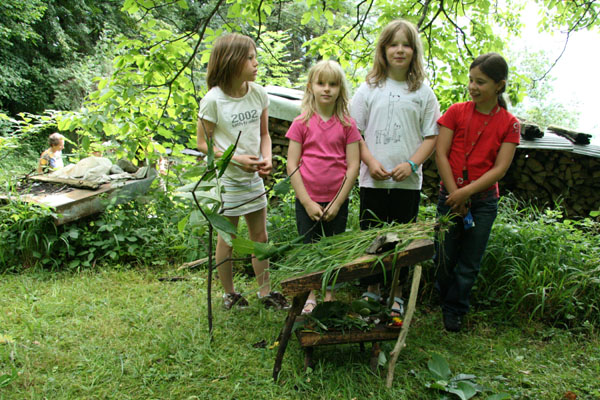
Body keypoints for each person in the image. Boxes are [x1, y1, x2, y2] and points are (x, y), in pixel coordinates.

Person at [350, 19, 440, 316]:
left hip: (406, 182)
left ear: (414, 51)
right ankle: (372, 289)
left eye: (406, 45)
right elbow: (354, 133)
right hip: (372, 180)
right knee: (371, 237)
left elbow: (431, 137)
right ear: (383, 49)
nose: (399, 50)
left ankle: (397, 292)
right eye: (393, 44)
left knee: (402, 241)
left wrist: (413, 164)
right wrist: (371, 162)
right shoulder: (368, 89)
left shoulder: (423, 92)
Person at [196, 32, 288, 310]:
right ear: (232, 61)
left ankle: (265, 292)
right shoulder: (214, 100)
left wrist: (267, 158)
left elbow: (264, 134)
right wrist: (237, 159)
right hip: (228, 181)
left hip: (253, 180)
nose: (256, 63)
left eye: (255, 57)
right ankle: (229, 294)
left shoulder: (258, 93)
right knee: (229, 238)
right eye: (250, 58)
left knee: (260, 237)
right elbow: (203, 143)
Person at [434, 52, 520, 332]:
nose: (473, 86)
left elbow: (500, 169)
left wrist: (466, 193)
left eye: (480, 82)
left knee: (470, 260)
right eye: (471, 80)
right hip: (448, 195)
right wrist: (454, 193)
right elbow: (441, 154)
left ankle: (455, 309)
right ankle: (438, 297)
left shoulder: (510, 124)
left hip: (483, 203)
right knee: (444, 254)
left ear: (499, 85)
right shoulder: (456, 111)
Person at [286, 60, 361, 314]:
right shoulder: (301, 123)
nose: (326, 89)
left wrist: (338, 202)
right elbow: (292, 165)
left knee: (333, 248)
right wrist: (306, 201)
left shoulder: (348, 125)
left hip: (336, 201)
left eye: (333, 84)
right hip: (308, 200)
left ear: (340, 89)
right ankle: (311, 293)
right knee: (310, 247)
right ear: (311, 87)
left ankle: (329, 292)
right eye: (321, 83)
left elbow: (353, 166)